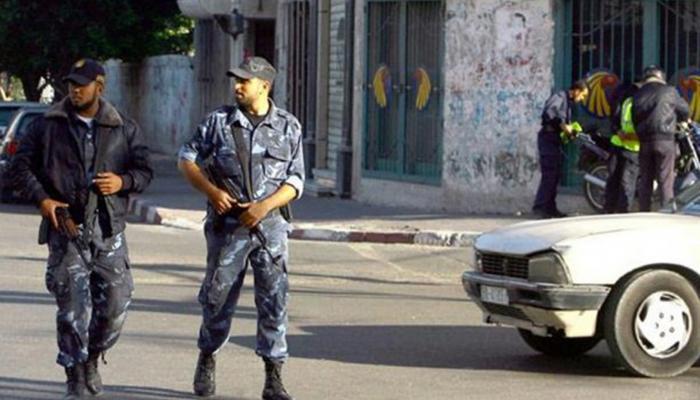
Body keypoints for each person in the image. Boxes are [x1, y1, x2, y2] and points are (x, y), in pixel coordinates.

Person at [9, 58, 152, 399]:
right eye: (71, 84)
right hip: (66, 228)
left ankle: (91, 358)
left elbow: (144, 172)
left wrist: (122, 181)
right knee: (72, 309)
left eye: (82, 84)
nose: (75, 89)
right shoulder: (48, 126)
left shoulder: (123, 127)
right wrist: (43, 200)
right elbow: (19, 167)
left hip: (108, 230)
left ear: (99, 87)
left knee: (117, 304)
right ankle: (74, 374)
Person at [178, 56, 304, 400]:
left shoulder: (289, 126)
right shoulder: (217, 123)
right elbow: (186, 158)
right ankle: (208, 355)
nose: (237, 86)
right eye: (236, 80)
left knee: (274, 301)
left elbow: (296, 180)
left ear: (264, 85)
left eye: (244, 81)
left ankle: (273, 377)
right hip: (227, 228)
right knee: (217, 298)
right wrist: (213, 192)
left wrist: (264, 206)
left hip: (270, 229)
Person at [632, 65, 690, 211]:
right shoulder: (670, 91)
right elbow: (685, 110)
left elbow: (634, 117)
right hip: (665, 140)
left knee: (645, 180)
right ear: (661, 78)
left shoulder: (638, 94)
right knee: (665, 179)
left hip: (645, 141)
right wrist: (682, 119)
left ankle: (644, 212)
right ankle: (667, 212)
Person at [532, 80, 589, 218]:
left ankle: (550, 207)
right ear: (576, 90)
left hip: (555, 139)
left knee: (555, 175)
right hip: (548, 138)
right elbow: (549, 112)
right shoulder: (559, 96)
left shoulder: (568, 103)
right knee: (549, 174)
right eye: (582, 95)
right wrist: (563, 125)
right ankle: (540, 207)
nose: (581, 99)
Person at [604, 82, 641, 213]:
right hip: (631, 148)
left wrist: (618, 131)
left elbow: (614, 121)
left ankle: (608, 211)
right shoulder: (634, 103)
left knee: (613, 181)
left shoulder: (622, 102)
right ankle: (622, 215)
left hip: (617, 144)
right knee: (627, 184)